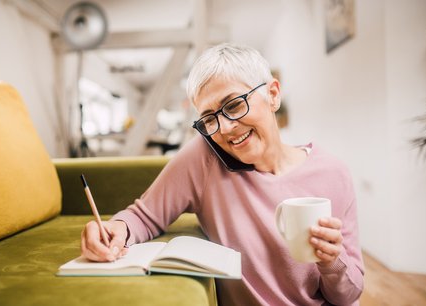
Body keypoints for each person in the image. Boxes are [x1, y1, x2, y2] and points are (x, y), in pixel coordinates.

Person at [81, 43, 364, 305]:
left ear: (273, 95)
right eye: (209, 118)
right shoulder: (204, 159)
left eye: (234, 105)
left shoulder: (333, 174)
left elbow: (347, 295)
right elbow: (144, 216)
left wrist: (332, 262)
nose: (225, 128)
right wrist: (114, 230)